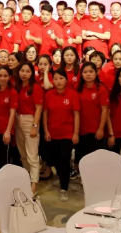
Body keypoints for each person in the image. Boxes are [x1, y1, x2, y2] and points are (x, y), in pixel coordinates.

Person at [43, 69, 79, 202]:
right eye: (56, 79)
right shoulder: (49, 95)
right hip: (52, 133)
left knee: (64, 160)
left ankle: (64, 188)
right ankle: (61, 177)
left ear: (66, 80)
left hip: (67, 134)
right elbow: (45, 113)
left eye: (61, 78)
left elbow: (76, 115)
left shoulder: (72, 94)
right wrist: (46, 131)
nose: (58, 81)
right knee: (56, 161)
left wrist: (75, 133)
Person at [15, 62, 43, 194]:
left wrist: (34, 126)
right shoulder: (17, 86)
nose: (24, 74)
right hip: (17, 120)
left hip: (30, 120)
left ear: (32, 73)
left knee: (32, 156)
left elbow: (39, 109)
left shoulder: (35, 88)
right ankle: (27, 179)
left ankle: (34, 185)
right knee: (23, 154)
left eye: (27, 71)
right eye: (22, 71)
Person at [75, 62, 109, 168]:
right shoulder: (77, 88)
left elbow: (104, 110)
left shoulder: (101, 89)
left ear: (96, 73)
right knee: (81, 158)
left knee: (94, 159)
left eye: (91, 71)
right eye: (85, 72)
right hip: (80, 129)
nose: (88, 74)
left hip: (95, 129)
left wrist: (101, 129)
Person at [0, 67, 18, 174]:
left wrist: (8, 131)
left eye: (5, 76)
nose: (2, 78)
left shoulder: (12, 92)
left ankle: (5, 181)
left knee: (4, 160)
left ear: (9, 77)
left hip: (6, 131)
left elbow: (12, 113)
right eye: (0, 76)